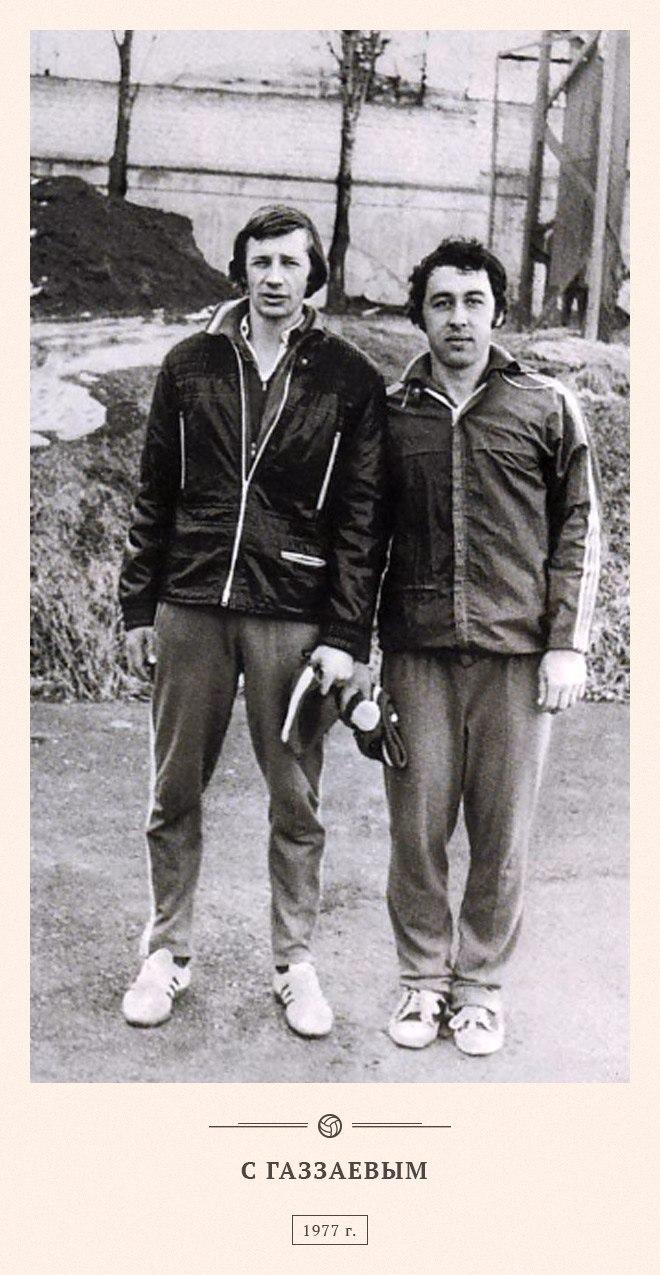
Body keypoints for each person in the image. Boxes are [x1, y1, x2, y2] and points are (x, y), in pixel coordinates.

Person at [118, 205, 387, 1034]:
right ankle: (167, 951)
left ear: (315, 275)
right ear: (242, 270)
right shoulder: (189, 363)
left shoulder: (350, 378)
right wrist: (138, 604)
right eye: (261, 262)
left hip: (293, 611)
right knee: (173, 789)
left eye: (290, 263)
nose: (274, 277)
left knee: (296, 797)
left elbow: (362, 520)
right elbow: (154, 491)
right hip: (192, 600)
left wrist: (345, 635)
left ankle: (294, 962)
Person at [379, 238, 600, 1057]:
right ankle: (422, 979)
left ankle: (478, 987)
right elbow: (361, 537)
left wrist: (567, 642)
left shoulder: (546, 404)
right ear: (420, 315)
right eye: (442, 302)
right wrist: (356, 649)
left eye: (474, 301)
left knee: (502, 834)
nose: (459, 319)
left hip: (516, 658)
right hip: (417, 655)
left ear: (499, 311)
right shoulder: (391, 410)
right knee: (417, 830)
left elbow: (581, 525)